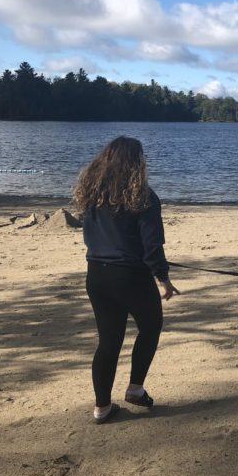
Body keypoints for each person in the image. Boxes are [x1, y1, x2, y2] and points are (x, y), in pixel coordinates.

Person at [72, 136, 180, 424]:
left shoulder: (92, 193)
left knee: (108, 342)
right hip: (130, 275)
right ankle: (135, 387)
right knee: (151, 326)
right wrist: (163, 278)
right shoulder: (143, 196)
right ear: (137, 163)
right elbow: (152, 244)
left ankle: (101, 407)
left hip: (96, 274)